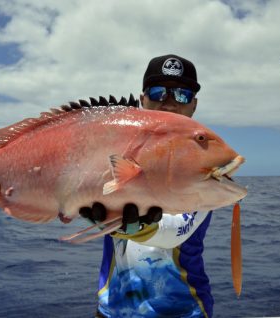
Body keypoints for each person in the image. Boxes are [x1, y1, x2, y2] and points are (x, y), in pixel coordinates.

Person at [81, 54, 213, 318]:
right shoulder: (110, 154)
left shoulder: (206, 165)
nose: (170, 104)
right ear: (142, 101)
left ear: (194, 105)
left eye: (182, 95)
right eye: (158, 92)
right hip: (111, 311)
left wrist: (141, 225)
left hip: (184, 312)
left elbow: (175, 231)